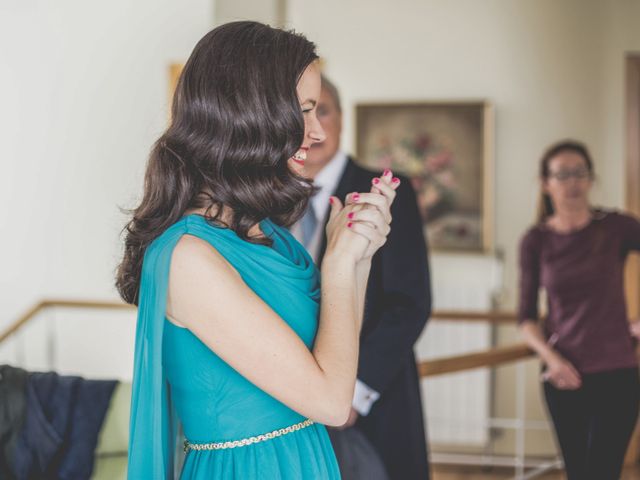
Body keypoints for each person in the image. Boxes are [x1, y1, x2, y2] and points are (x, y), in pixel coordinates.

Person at [115, 21, 400, 479]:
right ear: (251, 112)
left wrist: (359, 254)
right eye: (304, 110)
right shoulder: (190, 257)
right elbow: (331, 401)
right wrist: (339, 263)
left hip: (304, 457)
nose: (318, 133)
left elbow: (334, 352)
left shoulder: (264, 231)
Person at [291, 75, 431, 480]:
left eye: (324, 110)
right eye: (300, 113)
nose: (311, 126)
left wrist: (353, 390)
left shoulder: (385, 193)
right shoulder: (271, 199)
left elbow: (410, 302)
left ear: (341, 118)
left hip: (373, 395)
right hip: (293, 392)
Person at [518, 139, 640, 480]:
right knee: (578, 473)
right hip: (563, 376)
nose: (572, 182)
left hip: (618, 373)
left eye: (579, 173)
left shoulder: (616, 227)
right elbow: (525, 317)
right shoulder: (536, 240)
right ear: (546, 183)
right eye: (562, 175)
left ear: (590, 179)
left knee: (603, 472)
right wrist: (552, 359)